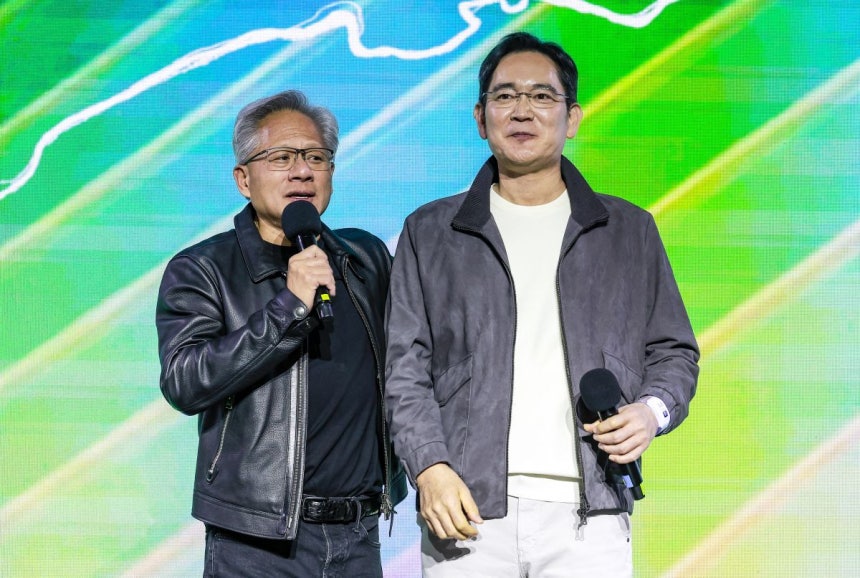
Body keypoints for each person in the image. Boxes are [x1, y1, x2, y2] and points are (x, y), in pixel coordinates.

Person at [385, 32, 699, 576]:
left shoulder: (628, 230)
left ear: (572, 117)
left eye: (541, 96)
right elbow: (403, 368)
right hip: (467, 509)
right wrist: (429, 466)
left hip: (592, 511)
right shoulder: (431, 231)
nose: (522, 110)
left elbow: (674, 352)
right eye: (505, 96)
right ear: (480, 118)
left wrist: (652, 412)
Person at [156, 89, 406, 577]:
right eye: (281, 158)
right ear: (243, 179)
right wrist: (288, 307)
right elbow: (185, 381)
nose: (302, 171)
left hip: (359, 535)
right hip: (258, 545)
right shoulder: (204, 269)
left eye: (316, 157)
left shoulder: (365, 258)